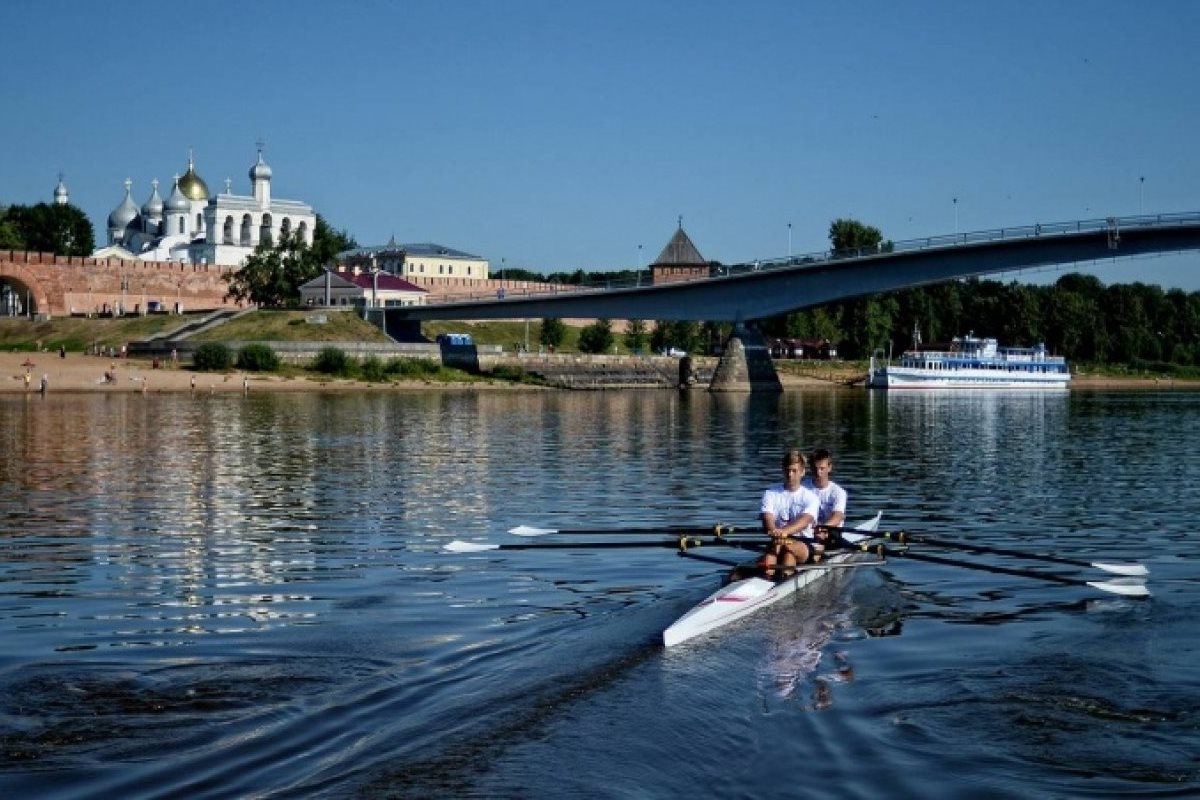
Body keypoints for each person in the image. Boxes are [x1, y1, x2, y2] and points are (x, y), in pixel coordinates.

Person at [759, 449, 821, 573]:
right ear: (783, 470)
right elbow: (767, 517)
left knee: (789, 549)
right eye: (787, 470)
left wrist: (783, 532)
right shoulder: (770, 493)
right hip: (777, 541)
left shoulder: (811, 498)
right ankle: (764, 580)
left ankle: (784, 579)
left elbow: (804, 521)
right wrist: (773, 530)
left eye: (794, 471)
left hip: (804, 543)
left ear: (802, 472)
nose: (790, 474)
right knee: (770, 555)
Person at [803, 448, 848, 531]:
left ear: (829, 467)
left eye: (822, 468)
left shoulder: (839, 492)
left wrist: (822, 528)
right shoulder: (803, 488)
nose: (818, 473)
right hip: (809, 533)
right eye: (815, 469)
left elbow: (838, 516)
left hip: (831, 533)